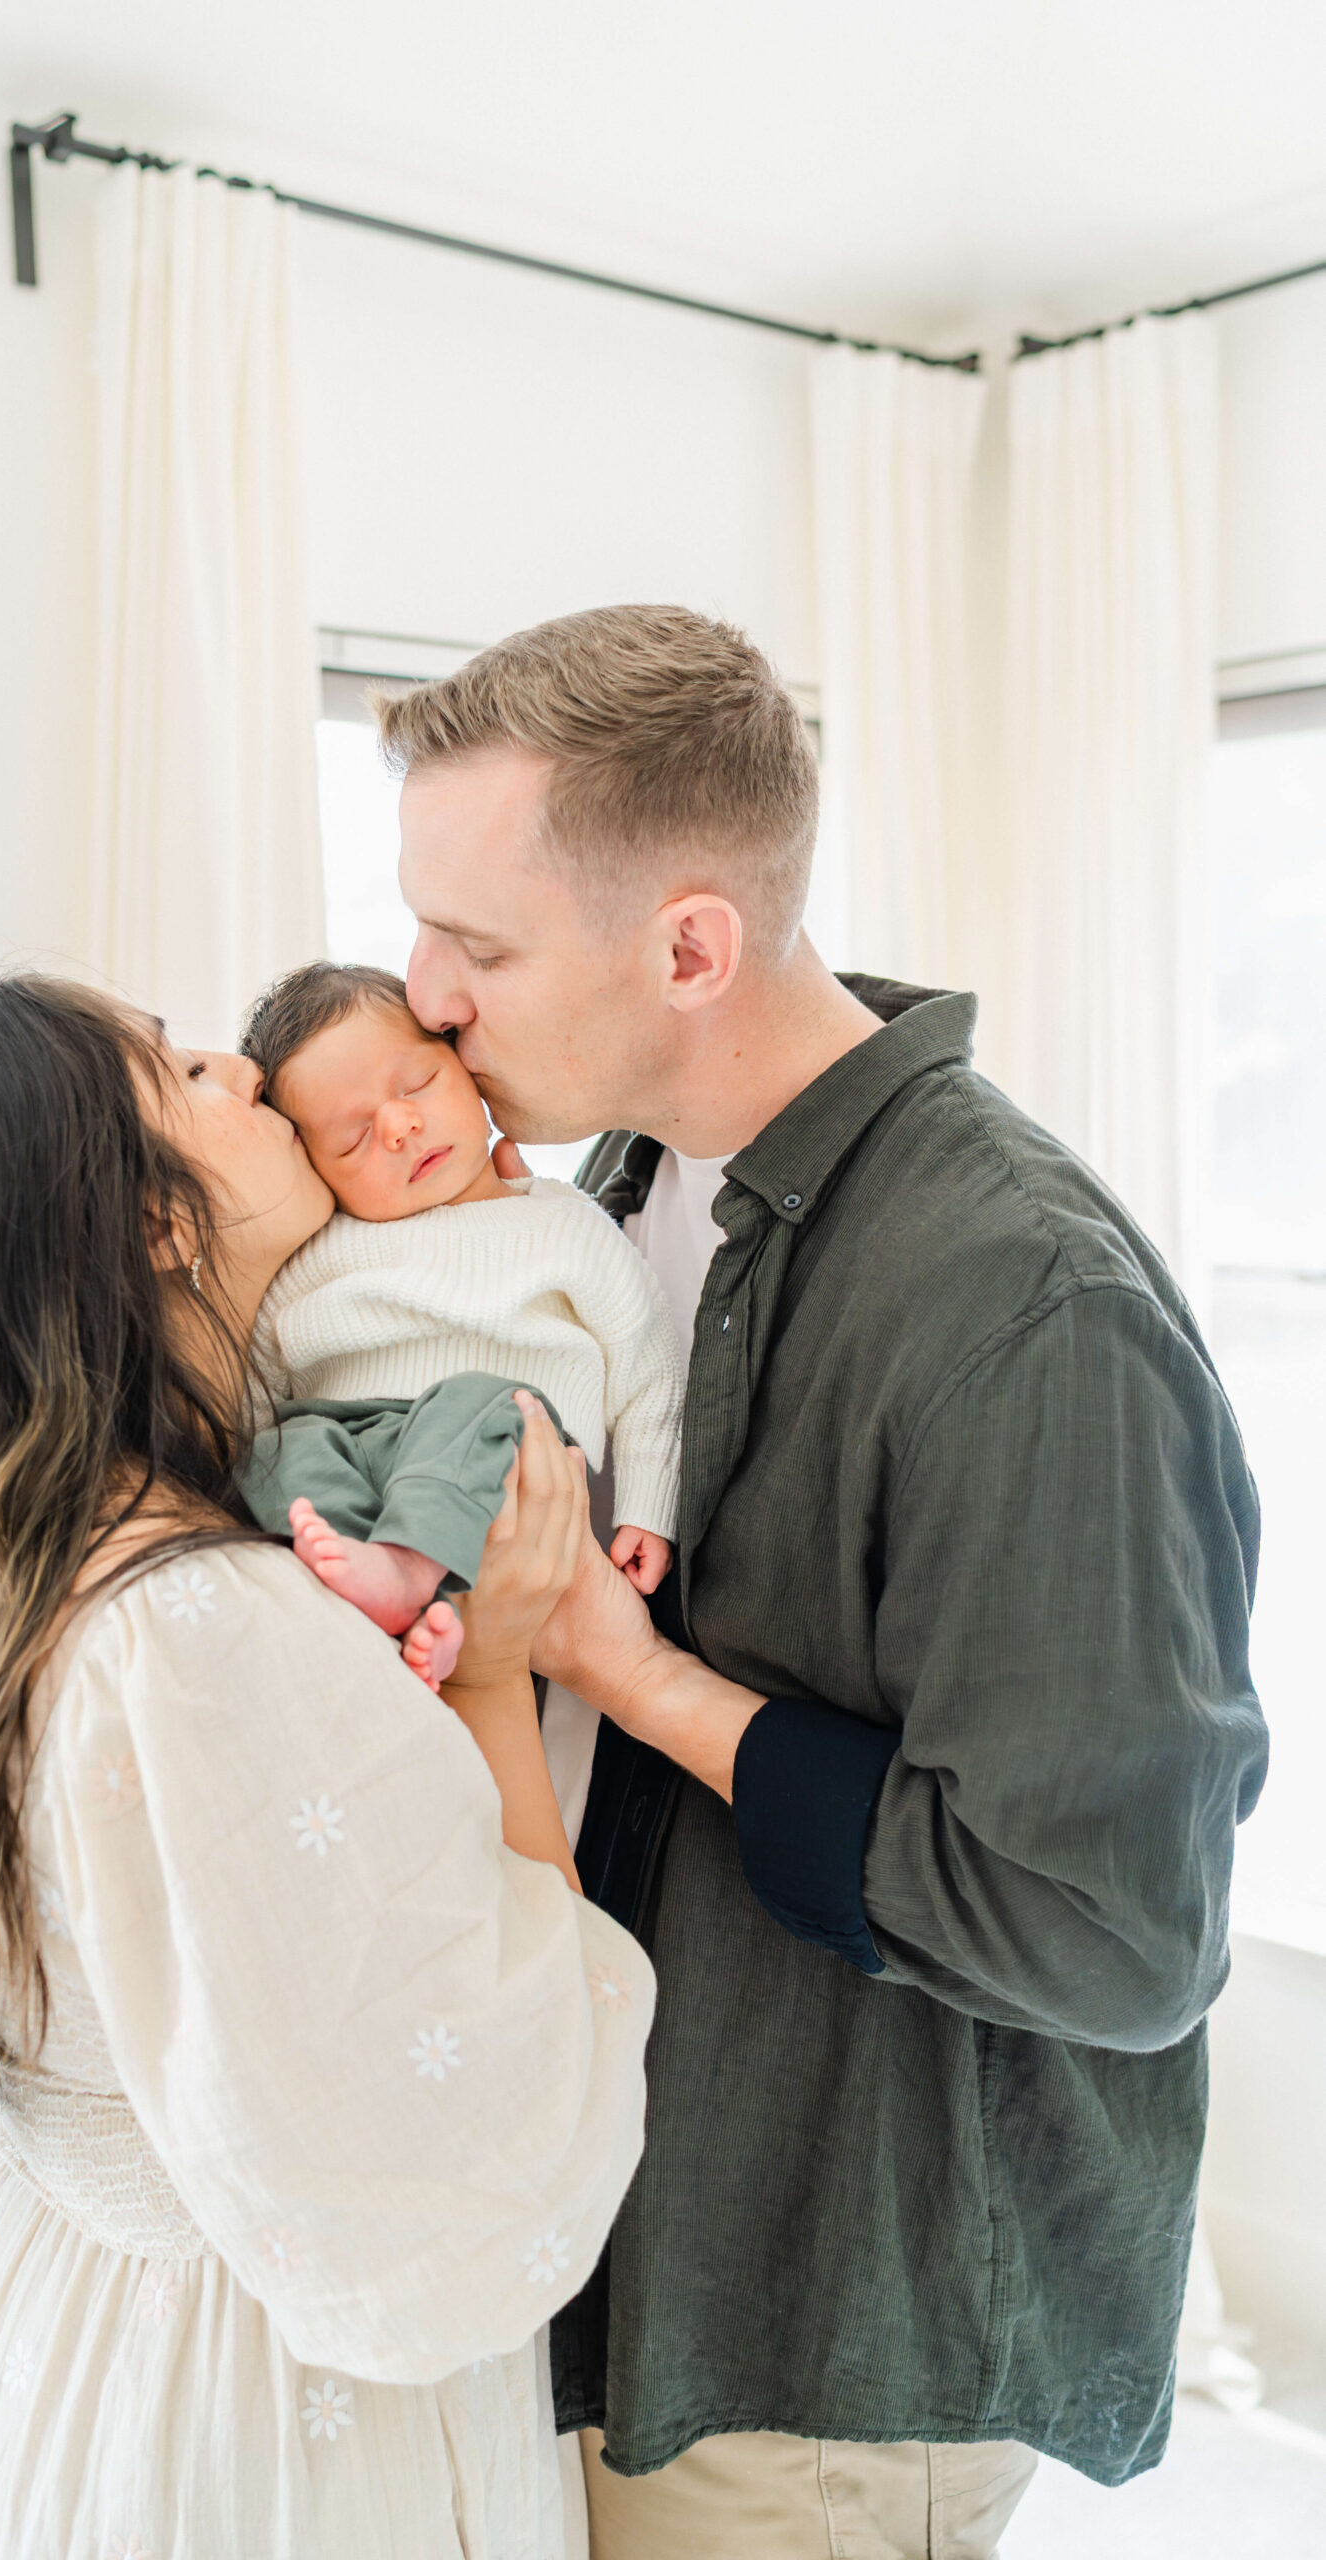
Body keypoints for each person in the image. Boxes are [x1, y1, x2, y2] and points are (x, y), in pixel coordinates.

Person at [381, 603, 1268, 2560]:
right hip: (612, 2255)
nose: (421, 992)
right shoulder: (608, 1200)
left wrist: (632, 1672)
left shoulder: (1025, 1308)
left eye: (481, 942)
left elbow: (1109, 1935)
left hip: (817, 2343)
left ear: (689, 942)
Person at [0, 974, 655, 2560]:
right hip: (249, 2435)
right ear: (151, 1225)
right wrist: (507, 1666)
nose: (237, 1066)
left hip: (45, 2355)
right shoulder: (191, 1625)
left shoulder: (24, 1577)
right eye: (179, 1068)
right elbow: (457, 2149)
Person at [237, 960, 682, 1693]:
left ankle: (410, 1572)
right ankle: (388, 1611)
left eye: (416, 1086)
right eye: (351, 1140)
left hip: (499, 1454)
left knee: (476, 1398)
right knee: (270, 1447)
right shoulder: (316, 1253)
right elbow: (255, 1373)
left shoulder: (556, 1221)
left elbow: (647, 1358)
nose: (400, 1127)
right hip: (358, 1455)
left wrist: (647, 1505)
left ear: (466, 1068)